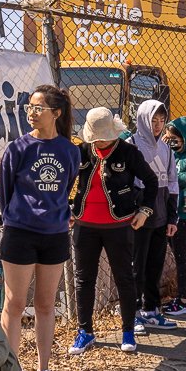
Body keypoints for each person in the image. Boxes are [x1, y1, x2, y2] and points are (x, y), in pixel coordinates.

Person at [0, 85, 81, 371]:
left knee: (46, 305)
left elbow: (66, 186)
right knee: (15, 304)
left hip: (55, 234)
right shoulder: (17, 148)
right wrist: (21, 218)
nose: (31, 112)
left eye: (38, 107)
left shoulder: (70, 150)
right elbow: (6, 195)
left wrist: (54, 216)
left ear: (56, 113)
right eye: (29, 107)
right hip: (20, 232)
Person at [68, 107, 158, 355]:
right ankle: (85, 331)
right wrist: (66, 209)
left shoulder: (129, 152)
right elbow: (66, 182)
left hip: (118, 225)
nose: (101, 141)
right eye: (96, 137)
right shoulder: (82, 152)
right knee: (84, 279)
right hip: (85, 225)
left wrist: (145, 211)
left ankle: (128, 330)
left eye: (105, 136)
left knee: (124, 277)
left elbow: (151, 182)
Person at [130, 99, 181, 332]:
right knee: (135, 266)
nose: (158, 125)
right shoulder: (131, 145)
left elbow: (172, 183)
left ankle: (152, 309)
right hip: (138, 216)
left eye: (162, 120)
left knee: (155, 265)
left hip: (160, 215)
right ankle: (133, 313)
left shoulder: (167, 149)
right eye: (153, 120)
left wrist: (172, 217)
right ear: (142, 119)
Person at [163, 116, 186, 316]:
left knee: (182, 256)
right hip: (172, 212)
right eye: (168, 137)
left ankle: (184, 298)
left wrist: (170, 175)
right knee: (178, 255)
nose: (170, 141)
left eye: (174, 137)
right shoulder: (171, 155)